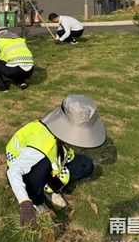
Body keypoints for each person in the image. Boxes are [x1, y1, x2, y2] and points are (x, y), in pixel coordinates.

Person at [6, 95, 106, 228]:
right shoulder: (41, 145)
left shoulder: (58, 132)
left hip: (51, 160)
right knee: (43, 165)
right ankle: (36, 200)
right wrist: (25, 203)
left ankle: (51, 187)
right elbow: (14, 171)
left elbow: (60, 153)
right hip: (27, 168)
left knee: (85, 165)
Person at [0, 27, 34, 91]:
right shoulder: (20, 40)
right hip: (29, 72)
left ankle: (2, 88)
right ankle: (21, 82)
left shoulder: (0, 41)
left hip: (15, 70)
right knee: (16, 64)